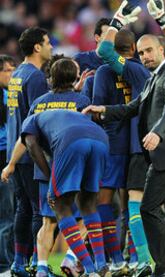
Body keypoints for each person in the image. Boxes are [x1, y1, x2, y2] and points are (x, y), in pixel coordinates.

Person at [83, 1, 165, 275]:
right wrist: (163, 20)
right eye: (142, 51)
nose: (144, 56)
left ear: (160, 52)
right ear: (135, 50)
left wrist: (119, 18)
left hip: (158, 150)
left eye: (149, 51)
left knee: (144, 206)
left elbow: (104, 50)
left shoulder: (147, 72)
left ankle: (154, 263)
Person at [21, 110, 110, 277]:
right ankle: (102, 266)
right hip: (101, 139)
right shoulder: (65, 116)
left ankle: (90, 270)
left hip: (71, 141)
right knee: (88, 204)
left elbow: (31, 145)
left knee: (57, 202)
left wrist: (49, 179)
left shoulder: (30, 121)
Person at [92, 28, 151, 277]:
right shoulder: (143, 70)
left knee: (104, 200)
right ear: (134, 49)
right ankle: (135, 257)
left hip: (114, 143)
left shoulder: (104, 71)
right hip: (139, 144)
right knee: (132, 203)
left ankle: (115, 260)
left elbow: (96, 111)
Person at [6, 27, 51, 276]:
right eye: (47, 43)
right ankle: (36, 263)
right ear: (37, 47)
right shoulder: (34, 78)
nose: (51, 47)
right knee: (38, 210)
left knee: (23, 208)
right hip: (30, 153)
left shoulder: (17, 75)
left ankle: (19, 263)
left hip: (16, 151)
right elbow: (39, 119)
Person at [0, 55, 16, 273]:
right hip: (3, 156)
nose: (12, 75)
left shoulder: (7, 94)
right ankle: (4, 265)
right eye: (8, 70)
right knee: (6, 214)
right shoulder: (6, 97)